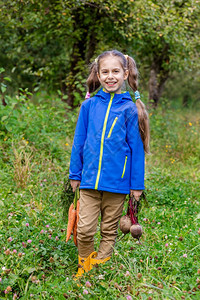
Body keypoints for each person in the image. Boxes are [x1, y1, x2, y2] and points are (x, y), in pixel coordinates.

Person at [69, 50, 150, 277]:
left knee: (108, 231)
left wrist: (136, 185)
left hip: (118, 184)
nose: (110, 76)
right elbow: (79, 142)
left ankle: (98, 267)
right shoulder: (89, 106)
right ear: (98, 74)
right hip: (88, 182)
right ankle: (84, 264)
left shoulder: (130, 109)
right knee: (84, 230)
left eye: (115, 71)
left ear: (125, 74)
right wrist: (75, 174)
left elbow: (136, 149)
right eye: (105, 72)